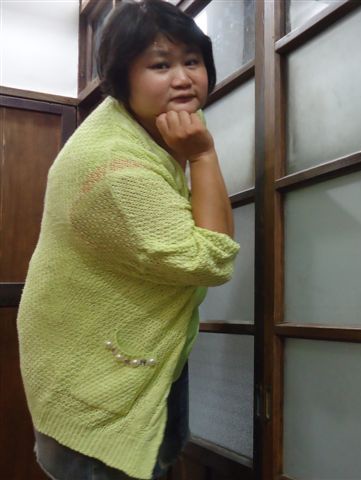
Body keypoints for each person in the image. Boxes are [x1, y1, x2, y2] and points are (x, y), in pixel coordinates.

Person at [16, 1, 239, 478]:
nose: (183, 78)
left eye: (192, 61)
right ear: (121, 78)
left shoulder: (152, 126)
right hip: (95, 384)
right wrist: (203, 157)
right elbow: (211, 260)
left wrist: (197, 154)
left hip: (136, 360)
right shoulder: (115, 168)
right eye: (160, 65)